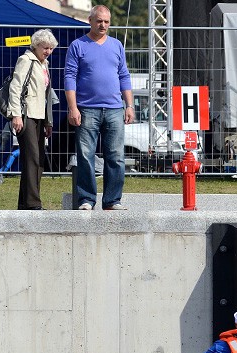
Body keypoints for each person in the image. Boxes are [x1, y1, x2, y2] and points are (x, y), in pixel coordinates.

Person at [64, 4, 134, 211]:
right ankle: (86, 199)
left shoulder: (116, 45)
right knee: (85, 156)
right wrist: (73, 107)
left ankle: (112, 200)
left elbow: (124, 75)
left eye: (106, 22)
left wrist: (129, 105)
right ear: (90, 21)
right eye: (99, 21)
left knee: (116, 157)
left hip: (114, 109)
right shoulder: (77, 45)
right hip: (86, 109)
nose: (103, 25)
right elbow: (70, 77)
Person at [7, 29, 58, 211]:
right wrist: (16, 115)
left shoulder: (45, 64)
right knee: (32, 159)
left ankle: (24, 204)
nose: (48, 51)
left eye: (51, 48)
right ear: (36, 45)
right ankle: (33, 203)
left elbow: (46, 95)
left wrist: (48, 122)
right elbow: (15, 88)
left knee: (38, 160)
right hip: (26, 115)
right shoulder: (26, 60)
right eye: (45, 48)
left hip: (39, 116)